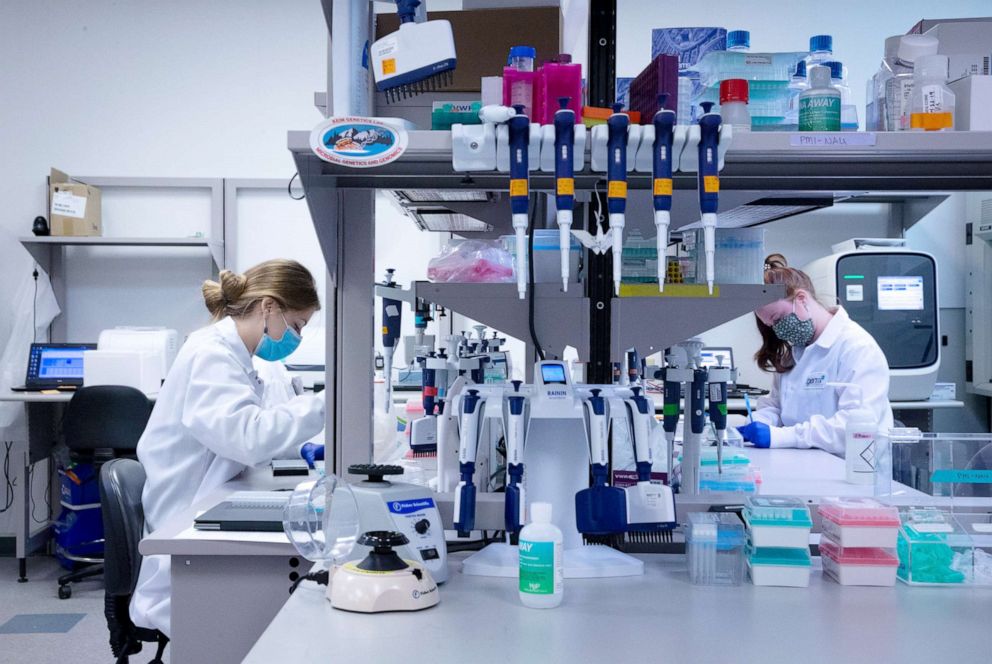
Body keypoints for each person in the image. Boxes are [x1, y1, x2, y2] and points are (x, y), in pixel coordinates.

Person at [131, 259, 326, 637]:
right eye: (297, 325)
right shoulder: (213, 353)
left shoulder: (233, 353)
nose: (297, 338)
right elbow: (245, 438)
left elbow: (243, 430)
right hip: (186, 513)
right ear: (269, 306)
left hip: (203, 497)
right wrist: (325, 403)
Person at [736, 255, 893, 454]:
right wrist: (757, 422)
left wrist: (781, 436)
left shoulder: (857, 348)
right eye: (770, 325)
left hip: (853, 470)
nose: (778, 331)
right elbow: (776, 406)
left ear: (801, 299)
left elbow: (855, 426)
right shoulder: (793, 354)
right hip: (808, 462)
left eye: (778, 319)